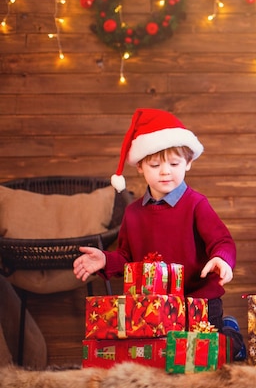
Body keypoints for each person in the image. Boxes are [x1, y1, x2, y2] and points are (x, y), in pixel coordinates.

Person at [73, 108, 245, 359]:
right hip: (154, 308)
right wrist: (106, 259)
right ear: (141, 166)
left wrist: (221, 258)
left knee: (203, 356)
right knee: (163, 358)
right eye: (155, 165)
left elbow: (222, 240)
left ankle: (231, 336)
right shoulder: (133, 213)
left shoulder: (196, 204)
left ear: (188, 163)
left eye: (174, 164)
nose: (165, 171)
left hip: (199, 301)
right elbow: (127, 257)